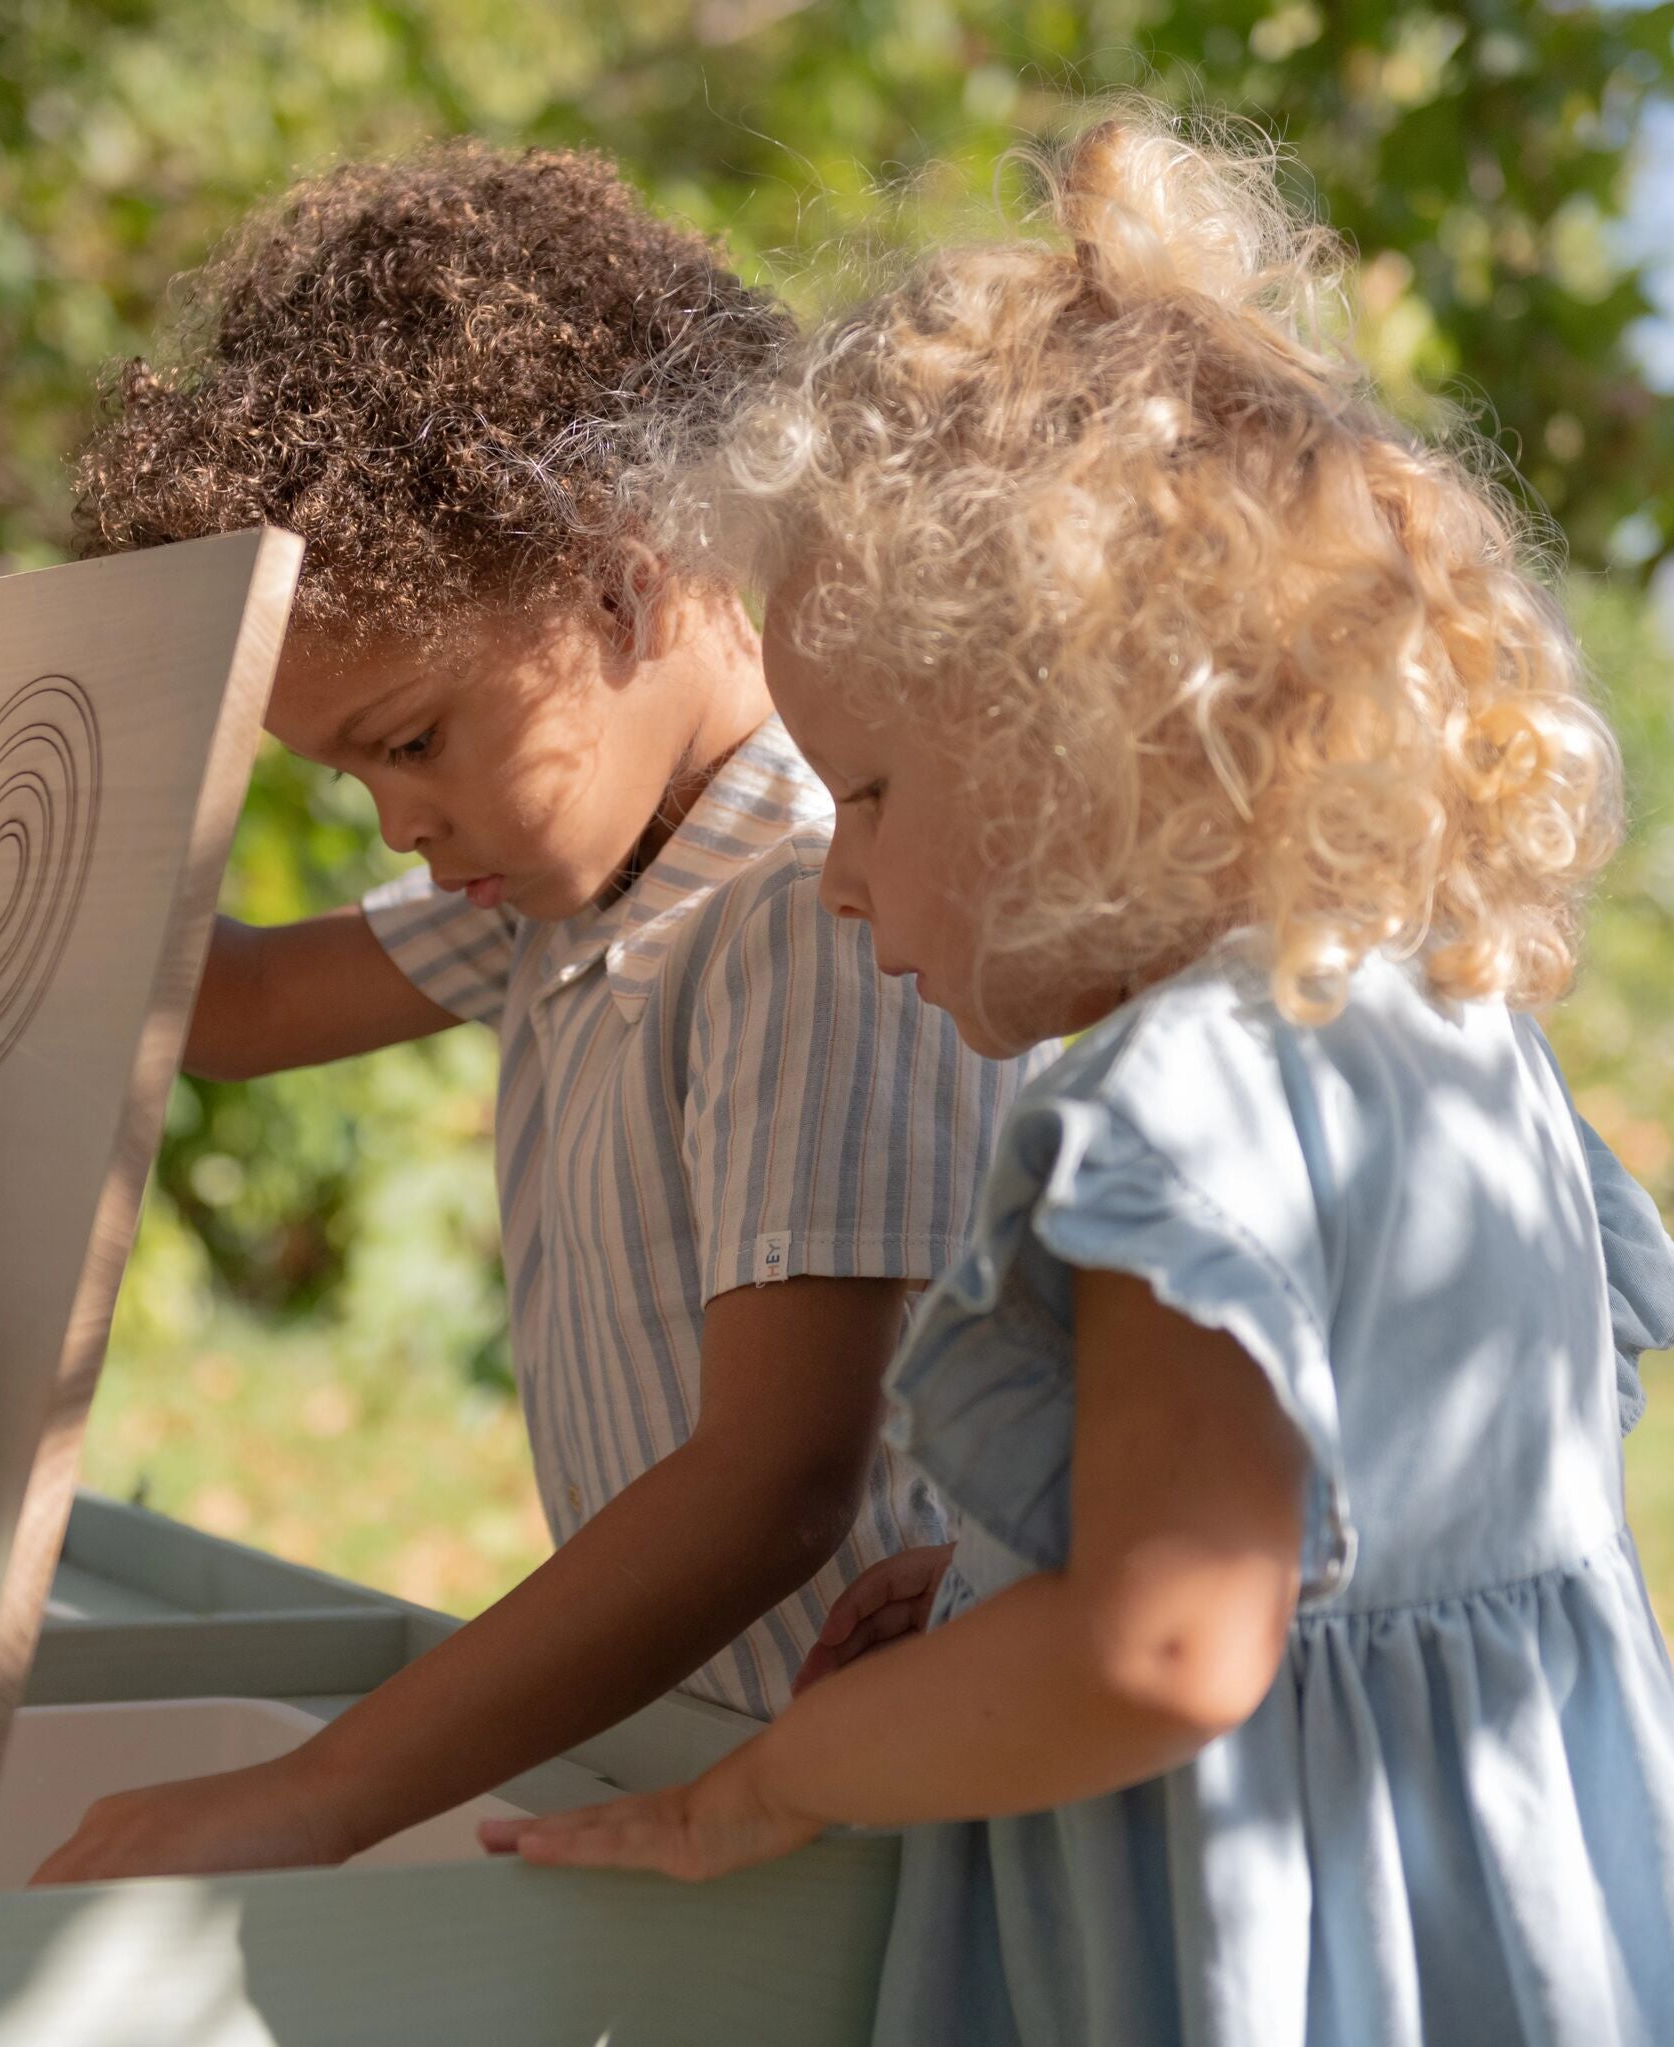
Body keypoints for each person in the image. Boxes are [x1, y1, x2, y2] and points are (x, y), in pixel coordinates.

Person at [482, 114, 1674, 2047]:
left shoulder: (1178, 1113)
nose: (838, 876)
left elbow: (1170, 1649)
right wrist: (1003, 1580)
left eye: (871, 794)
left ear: (1085, 737)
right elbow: (1344, 1535)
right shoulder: (1451, 1032)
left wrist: (773, 1781)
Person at [34, 142, 1039, 1885]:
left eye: (414, 740)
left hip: (859, 1823)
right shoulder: (574, 883)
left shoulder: (807, 912)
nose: (396, 824)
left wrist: (315, 1793)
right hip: (696, 1769)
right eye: (351, 773)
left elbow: (775, 1482)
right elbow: (241, 1005)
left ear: (622, 579)